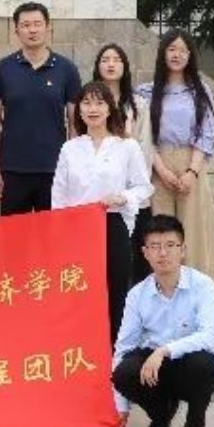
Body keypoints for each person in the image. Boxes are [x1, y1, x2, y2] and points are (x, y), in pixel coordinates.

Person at [112, 213, 214, 427]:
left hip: (191, 365)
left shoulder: (203, 285)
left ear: (183, 250)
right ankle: (161, 415)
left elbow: (208, 336)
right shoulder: (137, 294)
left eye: (171, 245)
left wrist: (164, 351)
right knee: (123, 373)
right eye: (155, 246)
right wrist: (121, 408)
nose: (163, 253)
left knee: (203, 363)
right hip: (156, 369)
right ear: (145, 252)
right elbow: (123, 347)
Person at [53, 81, 152, 341]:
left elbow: (143, 187)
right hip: (76, 229)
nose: (93, 109)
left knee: (115, 292)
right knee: (79, 294)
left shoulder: (126, 146)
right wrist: (60, 235)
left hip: (112, 225)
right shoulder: (70, 148)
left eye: (99, 103)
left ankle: (114, 352)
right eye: (86, 103)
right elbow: (59, 197)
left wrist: (123, 197)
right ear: (78, 110)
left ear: (110, 108)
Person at [136, 30, 214, 293]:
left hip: (191, 162)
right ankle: (163, 289)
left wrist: (192, 172)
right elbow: (143, 136)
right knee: (161, 231)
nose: (177, 55)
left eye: (182, 50)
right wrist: (161, 169)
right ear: (163, 53)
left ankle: (196, 291)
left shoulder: (200, 91)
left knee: (194, 228)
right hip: (158, 164)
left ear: (190, 56)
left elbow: (207, 133)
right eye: (171, 49)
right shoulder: (146, 92)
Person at [0, 2, 82, 216]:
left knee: (52, 234)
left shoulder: (67, 69)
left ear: (48, 27)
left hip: (55, 170)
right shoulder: (2, 69)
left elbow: (75, 122)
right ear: (16, 30)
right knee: (13, 235)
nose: (32, 30)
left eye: (37, 24)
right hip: (13, 170)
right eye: (26, 25)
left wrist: (73, 167)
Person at [95, 43, 151, 280]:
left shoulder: (137, 104)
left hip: (131, 189)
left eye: (116, 60)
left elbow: (145, 144)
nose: (111, 64)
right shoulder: (90, 103)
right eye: (105, 59)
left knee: (136, 252)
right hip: (99, 192)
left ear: (125, 67)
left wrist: (136, 188)